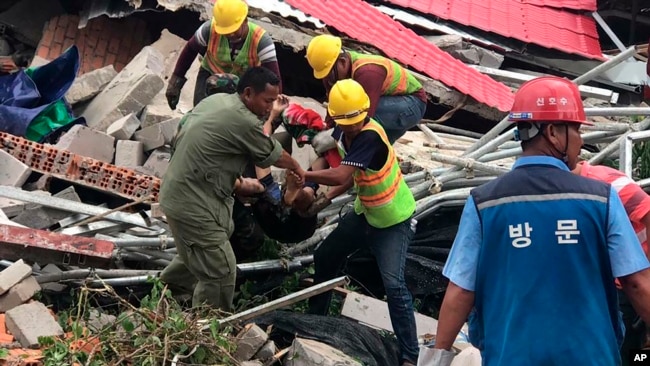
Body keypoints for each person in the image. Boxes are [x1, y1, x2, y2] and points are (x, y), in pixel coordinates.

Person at [426, 76, 650, 366]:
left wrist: (436, 358)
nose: (581, 141)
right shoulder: (602, 199)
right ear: (554, 132)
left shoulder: (485, 202)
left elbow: (461, 291)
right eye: (577, 130)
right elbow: (636, 284)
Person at [158, 67, 304, 311]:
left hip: (179, 194)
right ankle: (206, 333)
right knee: (221, 272)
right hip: (193, 203)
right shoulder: (243, 120)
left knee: (194, 257)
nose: (270, 107)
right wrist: (299, 168)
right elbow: (273, 155)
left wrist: (239, 183)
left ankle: (160, 300)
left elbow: (210, 153)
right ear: (248, 93)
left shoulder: (217, 102)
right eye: (267, 101)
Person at [303, 79, 419, 366]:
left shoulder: (370, 136)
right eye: (346, 122)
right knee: (325, 255)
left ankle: (410, 355)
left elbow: (342, 175)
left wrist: (304, 176)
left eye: (355, 121)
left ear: (364, 112)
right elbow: (352, 175)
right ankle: (316, 322)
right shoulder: (344, 132)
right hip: (366, 212)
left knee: (394, 285)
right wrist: (324, 199)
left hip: (393, 220)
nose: (353, 126)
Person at [573, 161, 650, 365]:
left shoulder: (606, 182)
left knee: (631, 351)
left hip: (632, 281)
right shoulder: (562, 189)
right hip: (610, 285)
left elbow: (648, 211)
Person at [306, 34, 427, 144]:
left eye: (329, 75)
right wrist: (327, 128)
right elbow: (334, 107)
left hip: (412, 104)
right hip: (388, 102)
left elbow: (364, 117)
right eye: (324, 75)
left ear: (342, 62)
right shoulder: (332, 75)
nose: (328, 80)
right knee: (374, 150)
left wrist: (332, 138)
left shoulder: (367, 72)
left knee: (354, 117)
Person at [165, 0, 281, 109]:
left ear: (245, 21)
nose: (230, 35)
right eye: (225, 31)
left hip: (243, 84)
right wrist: (175, 82)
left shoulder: (261, 40)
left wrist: (273, 104)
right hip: (210, 74)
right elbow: (190, 50)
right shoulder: (209, 29)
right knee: (200, 111)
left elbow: (273, 76)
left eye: (234, 30)